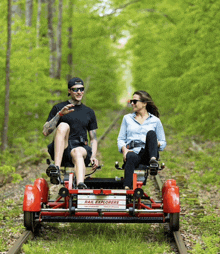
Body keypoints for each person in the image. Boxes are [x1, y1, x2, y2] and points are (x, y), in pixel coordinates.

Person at [43, 77, 98, 189]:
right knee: (63, 125)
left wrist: (93, 156)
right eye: (75, 89)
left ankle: (80, 185)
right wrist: (60, 115)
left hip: (81, 148)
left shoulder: (89, 112)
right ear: (69, 91)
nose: (79, 92)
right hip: (62, 148)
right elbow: (45, 131)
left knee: (77, 151)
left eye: (81, 89)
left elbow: (93, 138)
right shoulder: (59, 107)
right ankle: (56, 169)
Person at [117, 90, 166, 190]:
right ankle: (127, 187)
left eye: (134, 101)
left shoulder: (155, 120)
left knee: (151, 134)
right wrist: (124, 150)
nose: (132, 103)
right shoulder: (127, 118)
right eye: (131, 101)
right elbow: (121, 139)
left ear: (144, 103)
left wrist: (157, 143)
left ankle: (153, 162)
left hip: (148, 153)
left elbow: (163, 142)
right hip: (133, 152)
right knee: (130, 156)